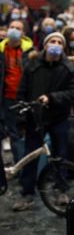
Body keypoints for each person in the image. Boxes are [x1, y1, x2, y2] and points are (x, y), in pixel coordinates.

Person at [12, 32, 74, 211]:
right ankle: (27, 193)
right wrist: (21, 118)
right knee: (31, 156)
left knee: (60, 155)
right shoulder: (32, 65)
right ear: (45, 44)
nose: (56, 44)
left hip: (59, 118)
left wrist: (52, 98)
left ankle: (60, 190)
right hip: (35, 119)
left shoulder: (69, 67)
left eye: (59, 42)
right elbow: (22, 91)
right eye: (52, 41)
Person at [0, 20, 34, 164]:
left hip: (25, 98)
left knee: (27, 133)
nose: (14, 30)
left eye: (18, 28)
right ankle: (19, 165)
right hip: (7, 97)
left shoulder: (30, 51)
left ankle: (28, 166)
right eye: (12, 27)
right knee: (13, 134)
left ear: (23, 33)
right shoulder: (1, 50)